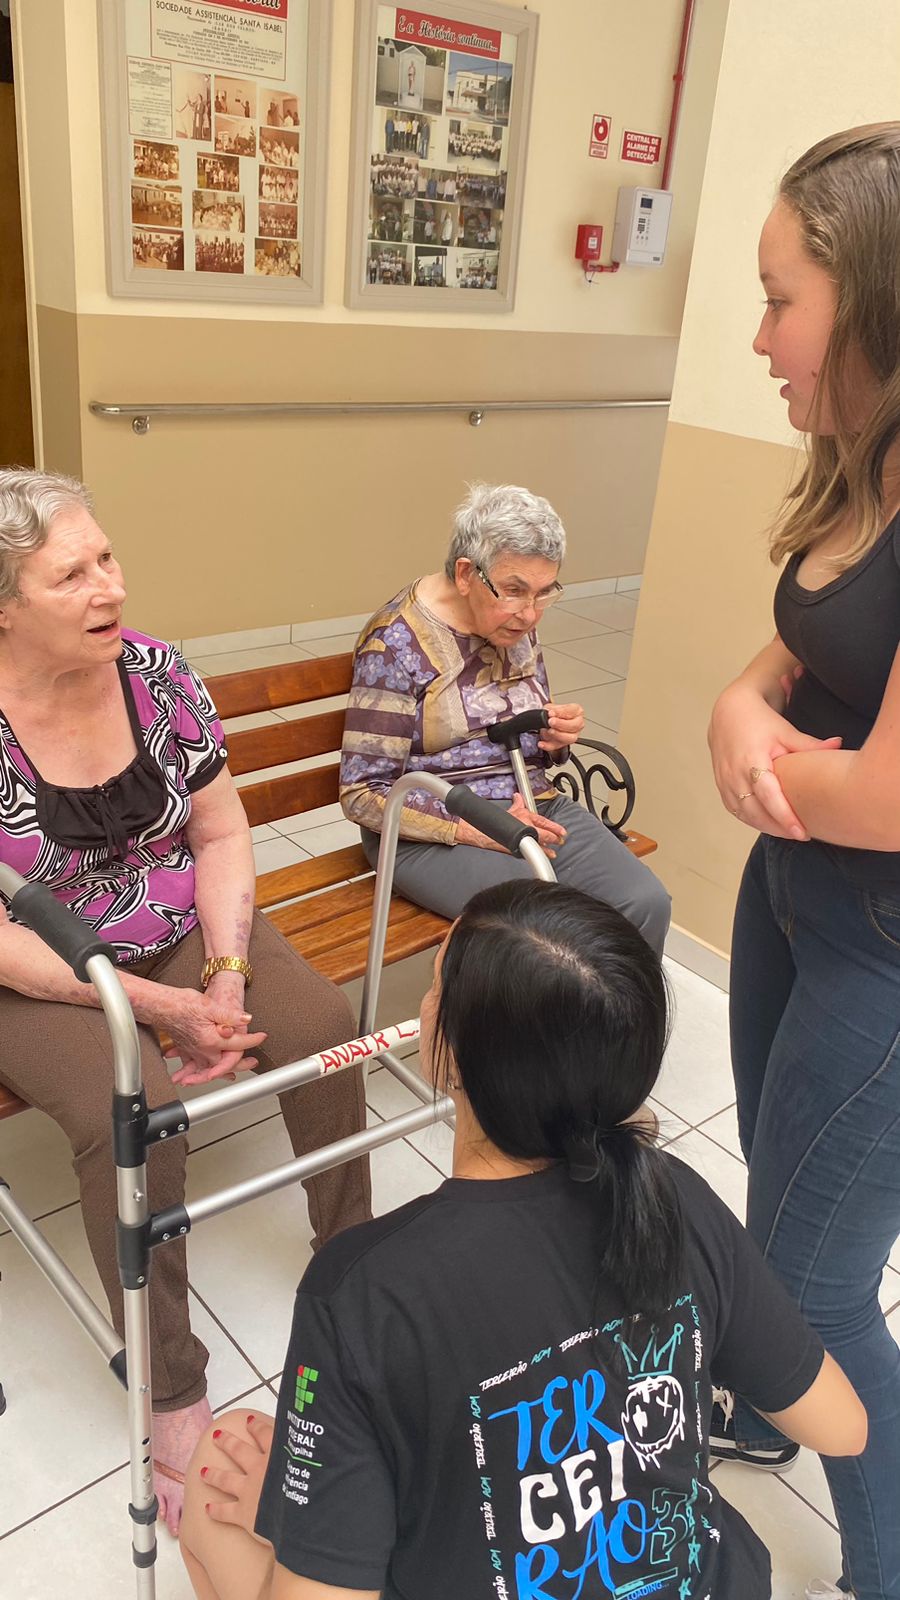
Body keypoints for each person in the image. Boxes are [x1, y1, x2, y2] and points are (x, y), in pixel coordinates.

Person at [179, 879, 866, 1599]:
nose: (426, 1004)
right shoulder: (671, 1195)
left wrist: (294, 1523)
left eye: (435, 987)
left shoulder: (361, 1289)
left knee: (215, 1472)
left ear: (451, 1054)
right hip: (711, 1581)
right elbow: (842, 1426)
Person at [0, 468, 371, 1536]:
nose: (109, 586)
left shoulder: (155, 673)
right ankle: (168, 1382)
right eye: (71, 576)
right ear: (6, 608)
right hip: (39, 971)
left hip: (174, 926)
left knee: (324, 1031)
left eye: (107, 557)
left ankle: (352, 1257)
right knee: (139, 1114)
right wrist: (157, 1015)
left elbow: (219, 830)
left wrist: (226, 972)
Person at [707, 125, 900, 1600]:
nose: (760, 337)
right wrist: (736, 702)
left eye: (781, 303)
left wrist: (766, 756)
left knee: (816, 1284)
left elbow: (889, 800)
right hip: (793, 897)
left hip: (880, 948)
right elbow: (802, 644)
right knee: (777, 1206)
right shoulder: (862, 461)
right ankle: (773, 1414)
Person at [339, 482, 671, 955]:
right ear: (465, 574)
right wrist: (475, 826)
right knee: (544, 926)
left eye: (544, 593)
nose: (530, 614)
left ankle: (617, 1008)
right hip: (432, 831)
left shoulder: (511, 621)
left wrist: (554, 740)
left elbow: (527, 737)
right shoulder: (395, 644)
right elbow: (363, 794)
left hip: (529, 803)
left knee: (644, 903)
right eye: (514, 591)